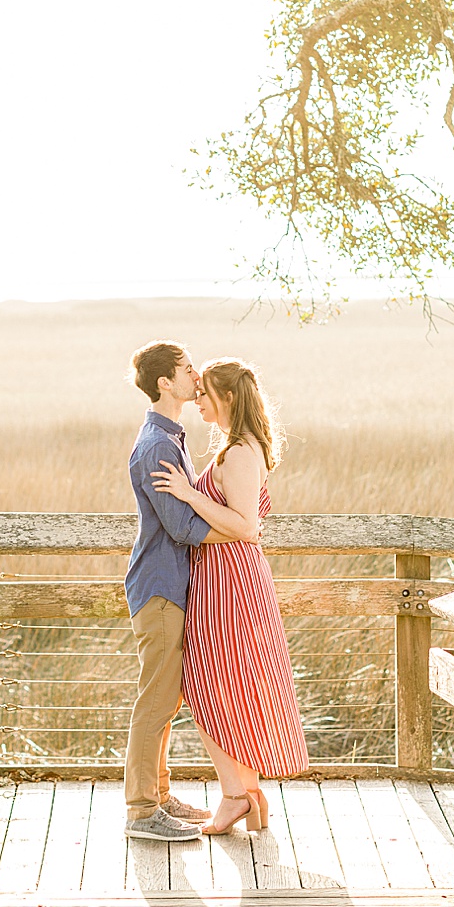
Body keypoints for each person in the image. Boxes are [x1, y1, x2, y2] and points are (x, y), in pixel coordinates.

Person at [151, 357, 309, 835]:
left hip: (229, 583)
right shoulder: (236, 446)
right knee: (232, 686)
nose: (198, 399)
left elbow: (247, 527)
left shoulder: (240, 452)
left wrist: (188, 493)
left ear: (229, 398)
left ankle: (234, 795)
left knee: (207, 687)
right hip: (224, 579)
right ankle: (250, 794)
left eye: (205, 394)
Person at [122, 340, 231, 841]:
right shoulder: (159, 445)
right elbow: (181, 526)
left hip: (170, 585)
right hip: (161, 586)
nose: (195, 377)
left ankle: (159, 796)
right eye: (187, 370)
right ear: (166, 382)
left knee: (165, 696)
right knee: (156, 699)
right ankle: (142, 811)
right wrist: (240, 530)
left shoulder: (171, 437)